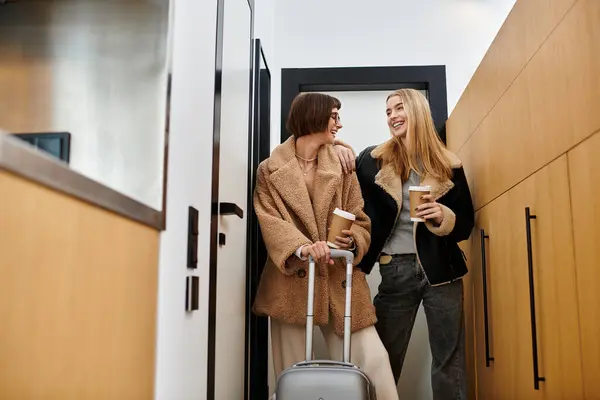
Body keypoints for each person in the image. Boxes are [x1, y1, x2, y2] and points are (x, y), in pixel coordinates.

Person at [253, 92, 399, 400]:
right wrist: (302, 248)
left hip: (338, 280)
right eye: (334, 116)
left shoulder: (343, 165)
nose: (340, 124)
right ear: (314, 116)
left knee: (375, 363)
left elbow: (360, 218)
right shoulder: (269, 169)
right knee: (290, 375)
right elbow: (269, 219)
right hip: (291, 282)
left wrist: (353, 239)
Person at [334, 88, 475, 399]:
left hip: (443, 271)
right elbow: (343, 186)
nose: (392, 116)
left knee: (448, 361)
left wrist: (443, 214)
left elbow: (466, 224)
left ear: (417, 112)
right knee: (381, 359)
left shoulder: (448, 165)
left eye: (399, 108)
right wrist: (337, 145)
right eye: (388, 112)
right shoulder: (373, 161)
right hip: (394, 270)